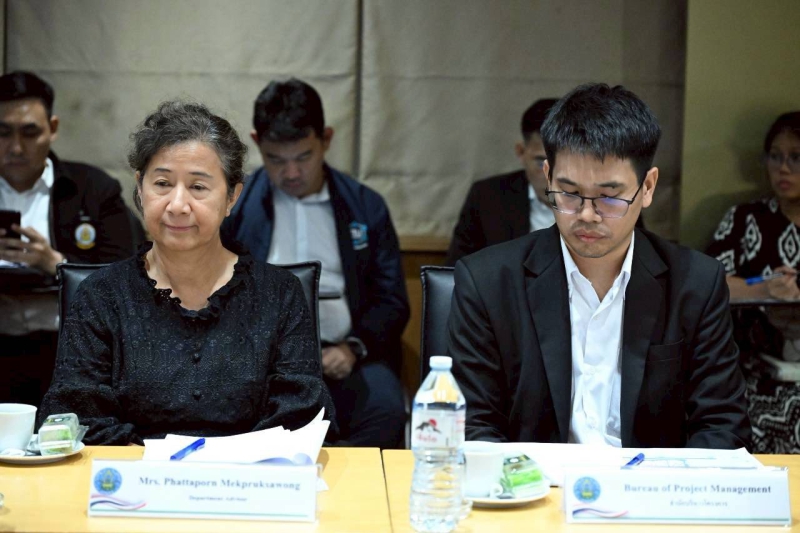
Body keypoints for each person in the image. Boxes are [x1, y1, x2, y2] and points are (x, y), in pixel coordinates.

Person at [448, 83, 751, 449]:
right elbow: (472, 427)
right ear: (548, 176)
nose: (587, 215)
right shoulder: (487, 282)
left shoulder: (695, 284)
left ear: (648, 187)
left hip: (649, 482)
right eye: (569, 193)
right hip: (533, 481)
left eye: (608, 197)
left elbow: (722, 425)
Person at [39, 101, 335, 445]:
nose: (178, 205)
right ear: (140, 188)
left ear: (232, 197)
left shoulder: (280, 294)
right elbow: (77, 417)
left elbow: (300, 416)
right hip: (133, 474)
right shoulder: (101, 295)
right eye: (162, 183)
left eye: (198, 187)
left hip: (249, 474)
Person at [223, 79, 409, 449]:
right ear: (256, 142)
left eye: (304, 157)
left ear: (326, 139)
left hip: (348, 357)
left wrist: (352, 348)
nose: (291, 173)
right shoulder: (236, 207)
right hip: (259, 365)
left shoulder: (365, 206)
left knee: (386, 411)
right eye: (276, 160)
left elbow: (391, 300)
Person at [0, 71, 141, 406]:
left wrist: (56, 263)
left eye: (29, 132)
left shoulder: (92, 189)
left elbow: (126, 276)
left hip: (68, 350)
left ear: (52, 128)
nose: (16, 147)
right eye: (3, 133)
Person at [706, 111, 800, 453]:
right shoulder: (744, 219)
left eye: (796, 157)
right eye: (775, 156)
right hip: (754, 371)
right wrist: (763, 291)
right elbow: (708, 284)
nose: (783, 168)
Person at [446, 99, 557, 265]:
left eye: (560, 163)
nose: (551, 175)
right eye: (541, 163)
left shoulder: (592, 201)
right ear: (521, 152)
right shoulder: (488, 198)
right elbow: (457, 270)